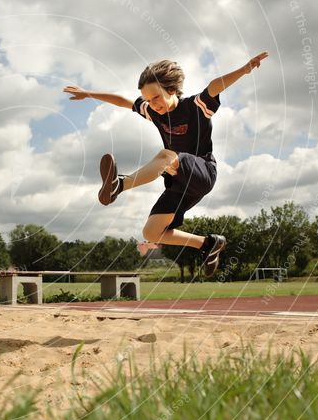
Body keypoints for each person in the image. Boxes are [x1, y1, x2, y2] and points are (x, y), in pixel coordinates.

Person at [64, 52, 268, 276]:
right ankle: (208, 244)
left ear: (171, 90)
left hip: (203, 172)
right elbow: (124, 101)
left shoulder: (195, 107)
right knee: (152, 232)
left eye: (156, 98)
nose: (153, 105)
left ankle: (119, 185)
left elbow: (214, 86)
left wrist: (244, 69)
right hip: (179, 184)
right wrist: (88, 94)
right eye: (148, 100)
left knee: (167, 156)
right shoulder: (153, 111)